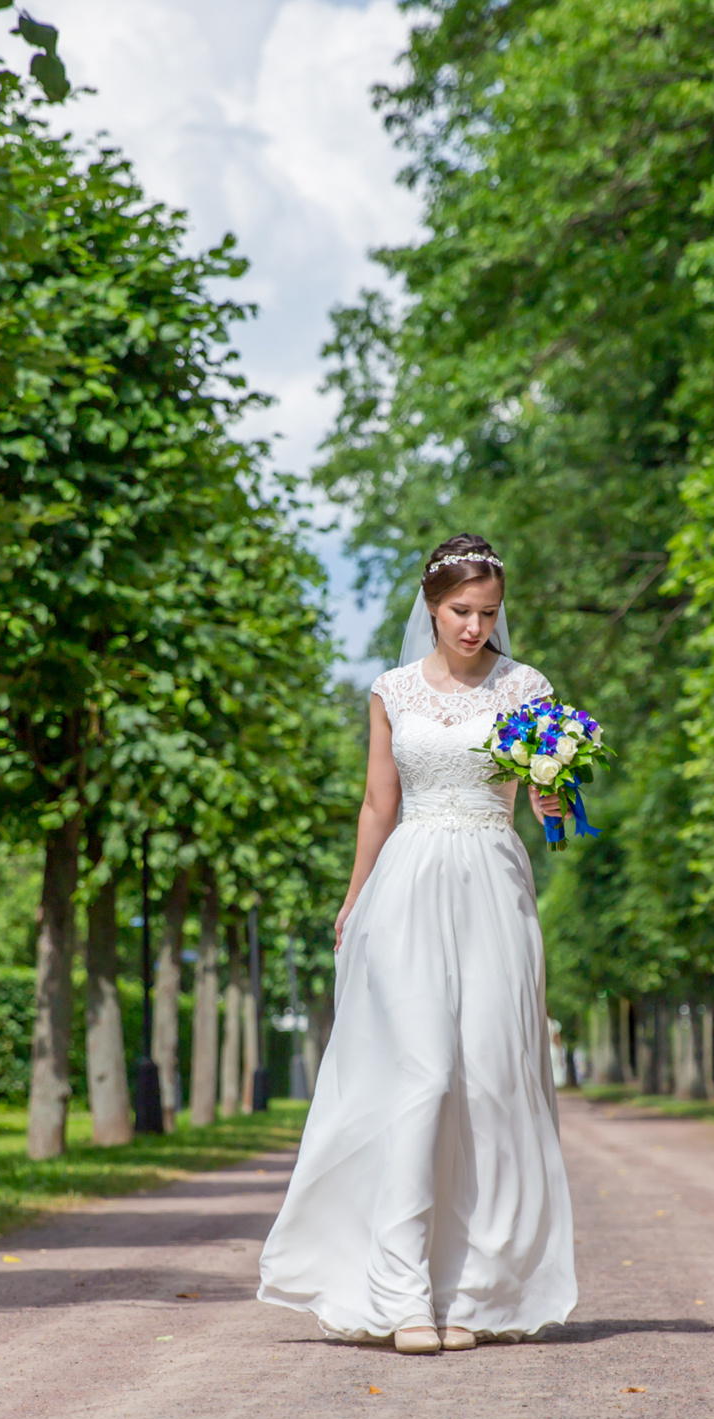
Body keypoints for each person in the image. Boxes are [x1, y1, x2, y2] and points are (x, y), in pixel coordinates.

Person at [255, 534, 577, 1353]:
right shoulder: (392, 690)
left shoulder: (527, 688)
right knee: (422, 1076)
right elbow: (377, 802)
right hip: (405, 887)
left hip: (492, 884)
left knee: (490, 1084)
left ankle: (474, 1293)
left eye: (489, 613)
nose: (476, 627)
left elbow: (547, 795)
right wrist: (353, 896)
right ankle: (401, 1295)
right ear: (431, 606)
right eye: (462, 611)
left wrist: (551, 796)